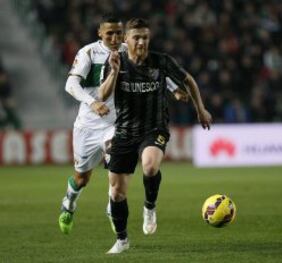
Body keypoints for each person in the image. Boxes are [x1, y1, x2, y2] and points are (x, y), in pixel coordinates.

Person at [58, 14, 187, 235]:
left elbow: (155, 71)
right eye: (110, 33)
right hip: (88, 125)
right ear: (100, 33)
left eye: (119, 33)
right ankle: (69, 202)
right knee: (82, 178)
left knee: (115, 167)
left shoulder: (131, 50)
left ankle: (113, 208)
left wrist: (173, 87)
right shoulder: (89, 52)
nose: (115, 37)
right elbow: (71, 84)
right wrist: (93, 103)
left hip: (118, 124)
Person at [98, 18, 212, 254]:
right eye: (136, 37)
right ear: (125, 39)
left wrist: (200, 109)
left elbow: (188, 80)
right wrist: (115, 72)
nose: (141, 42)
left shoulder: (161, 61)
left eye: (145, 37)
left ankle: (149, 206)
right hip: (125, 131)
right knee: (117, 193)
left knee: (150, 166)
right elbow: (102, 94)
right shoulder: (114, 61)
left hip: (154, 127)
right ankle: (122, 240)